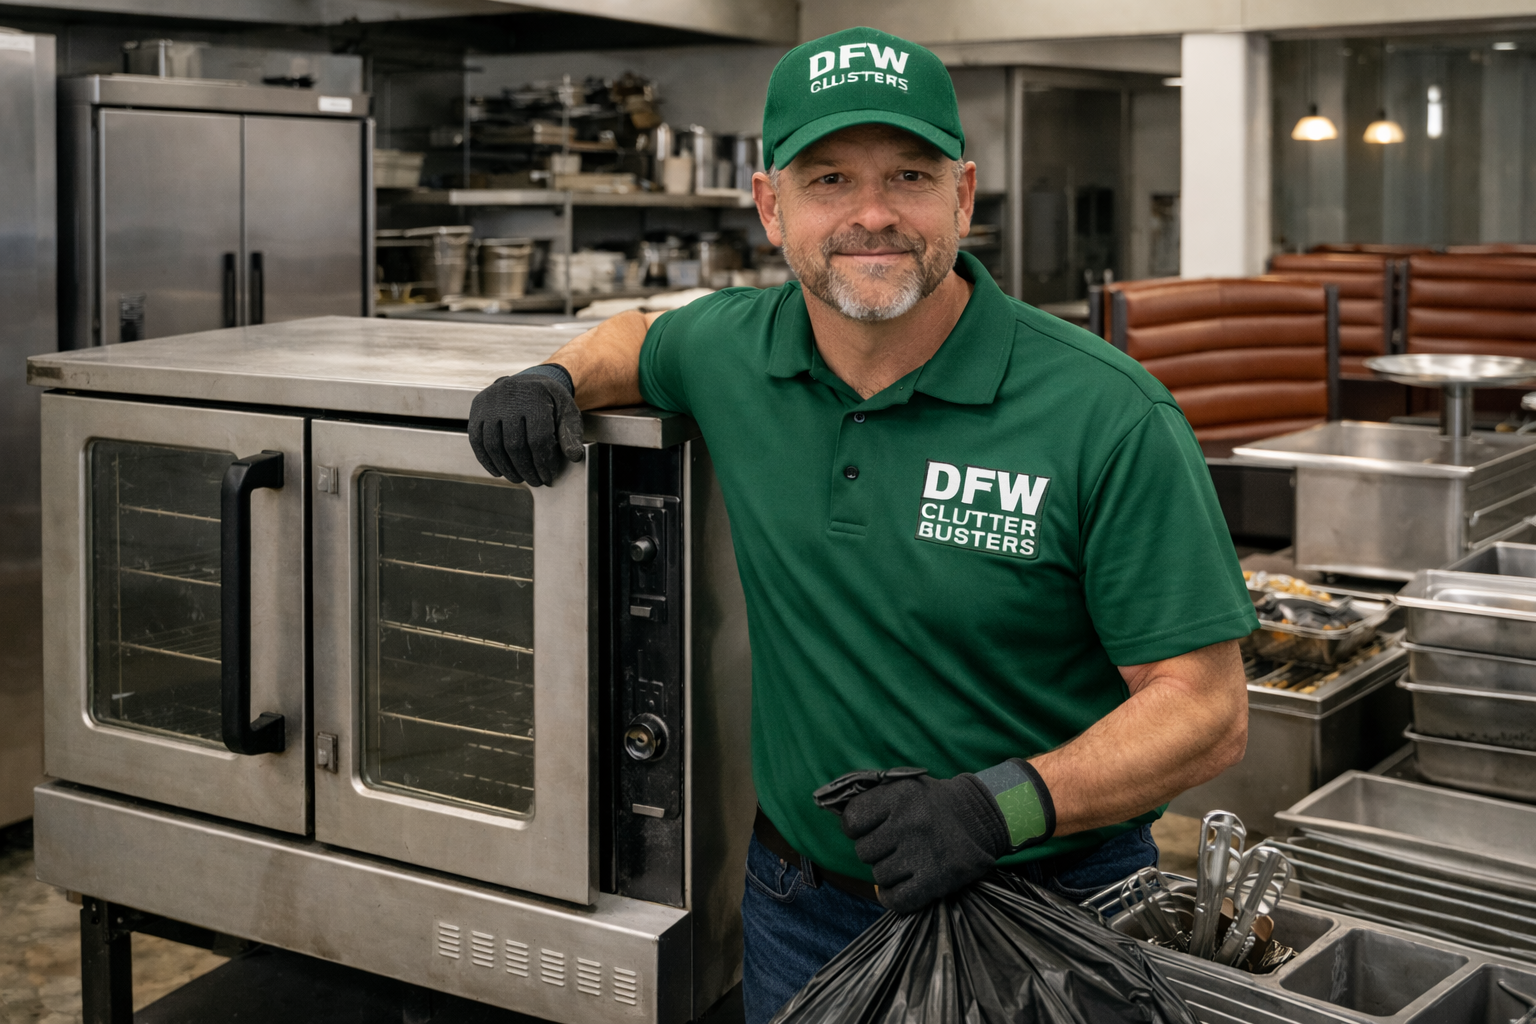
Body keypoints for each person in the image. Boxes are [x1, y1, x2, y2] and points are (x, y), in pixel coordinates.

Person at [467, 26, 1257, 1024]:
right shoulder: (735, 352)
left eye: (910, 177)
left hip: (1051, 914)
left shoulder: (1106, 414)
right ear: (770, 207)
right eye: (830, 178)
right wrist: (557, 377)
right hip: (801, 911)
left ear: (963, 196)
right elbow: (642, 338)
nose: (873, 214)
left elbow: (1207, 706)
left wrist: (997, 805)